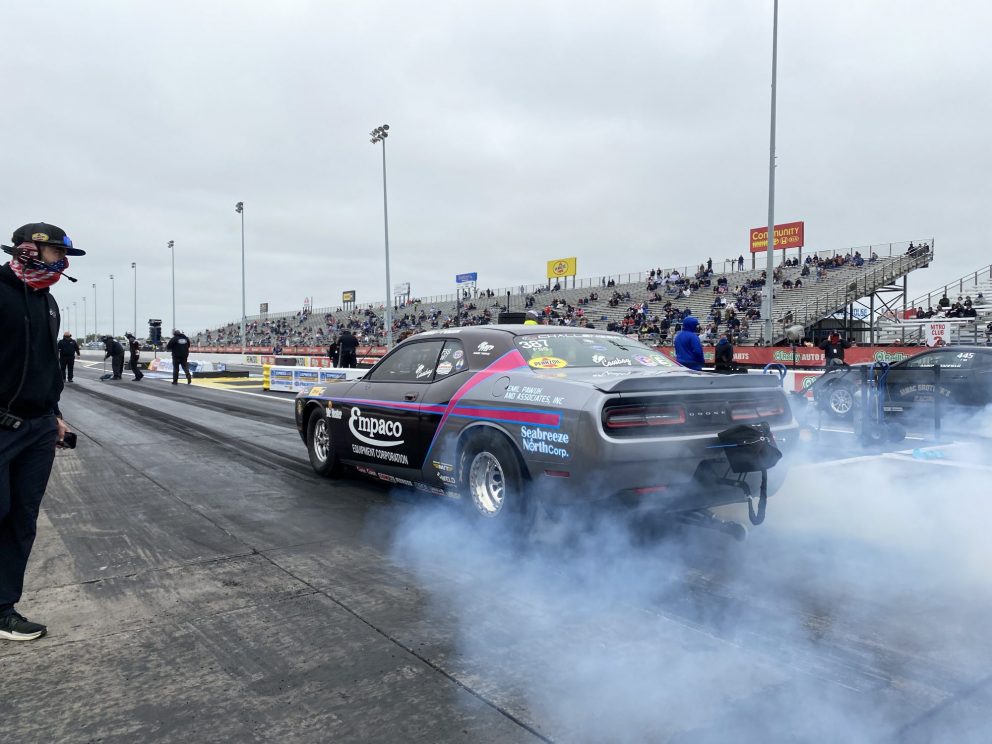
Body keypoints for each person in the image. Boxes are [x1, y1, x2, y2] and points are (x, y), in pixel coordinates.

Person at [0, 221, 83, 641]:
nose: (62, 263)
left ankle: (2, 609)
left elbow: (46, 367)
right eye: (57, 255)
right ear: (30, 250)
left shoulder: (48, 301)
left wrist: (54, 413)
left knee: (21, 519)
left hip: (37, 429)